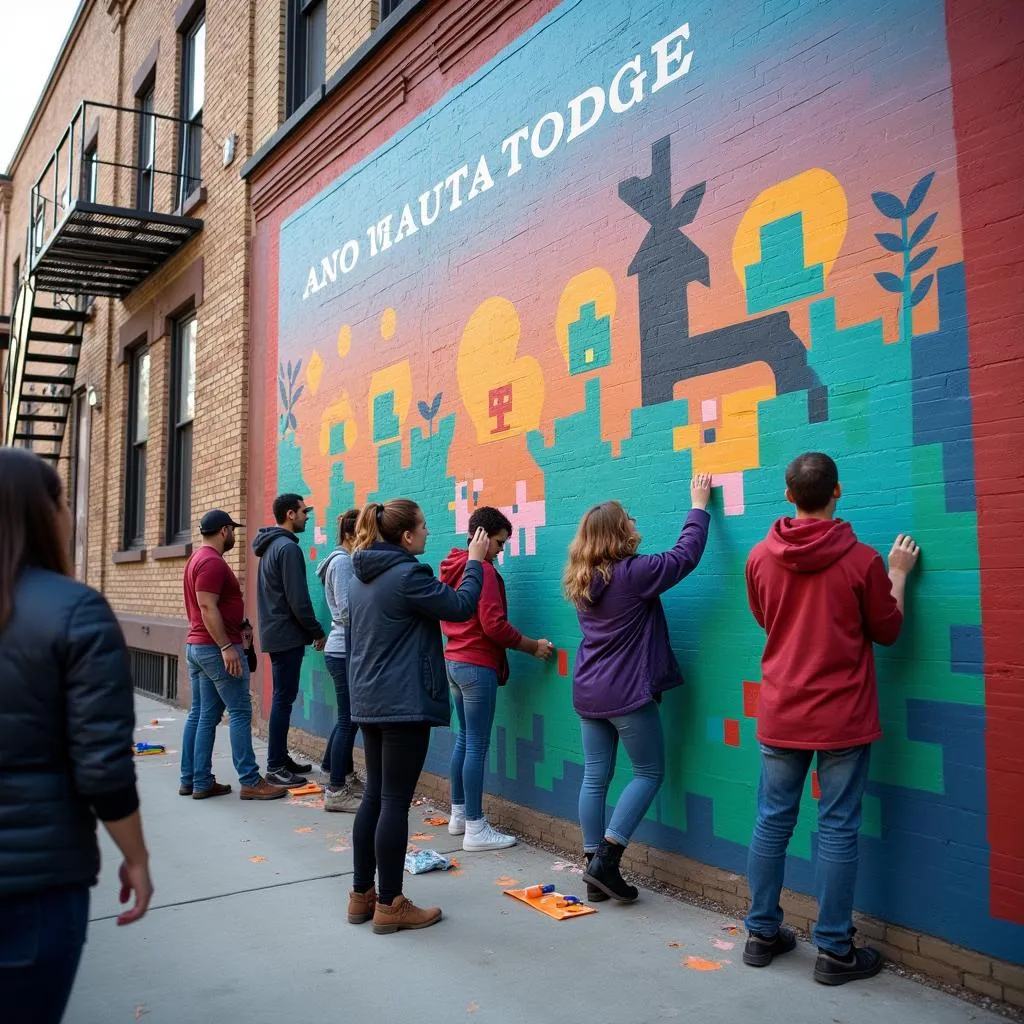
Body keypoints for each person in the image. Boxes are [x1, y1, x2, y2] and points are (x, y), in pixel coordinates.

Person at [742, 452, 919, 986]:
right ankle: (834, 950)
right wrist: (897, 574)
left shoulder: (759, 558)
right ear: (837, 491)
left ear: (788, 495)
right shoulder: (862, 560)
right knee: (837, 826)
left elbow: (765, 619)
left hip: (781, 711)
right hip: (842, 717)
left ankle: (761, 934)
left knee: (772, 820)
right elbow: (887, 631)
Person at [0, 448, 153, 1023]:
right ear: (43, 513)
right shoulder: (76, 611)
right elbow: (103, 768)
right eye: (64, 501)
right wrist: (134, 856)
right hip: (34, 888)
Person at [564, 475, 712, 903]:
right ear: (616, 531)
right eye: (627, 516)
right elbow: (685, 557)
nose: (633, 518)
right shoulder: (633, 574)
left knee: (595, 776)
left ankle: (592, 864)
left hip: (589, 692)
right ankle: (606, 861)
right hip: (625, 694)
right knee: (649, 773)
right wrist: (698, 507)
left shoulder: (582, 579)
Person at [346, 500, 488, 934]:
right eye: (424, 527)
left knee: (374, 796)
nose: (429, 532)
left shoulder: (359, 576)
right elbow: (462, 606)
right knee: (392, 801)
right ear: (406, 536)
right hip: (402, 702)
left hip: (368, 699)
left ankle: (361, 896)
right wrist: (476, 563)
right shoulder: (408, 575)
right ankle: (391, 902)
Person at [439, 506, 555, 851]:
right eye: (500, 544)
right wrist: (532, 646)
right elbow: (493, 625)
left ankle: (459, 816)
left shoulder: (455, 566)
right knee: (476, 743)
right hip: (476, 665)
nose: (502, 551)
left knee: (464, 739)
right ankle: (476, 828)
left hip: (455, 662)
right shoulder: (483, 571)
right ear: (483, 538)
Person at [180, 510, 286, 801]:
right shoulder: (212, 562)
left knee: (203, 715)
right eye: (233, 530)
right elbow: (206, 607)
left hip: (200, 646)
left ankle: (196, 780)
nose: (235, 536)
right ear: (224, 530)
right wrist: (227, 646)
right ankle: (250, 780)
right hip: (215, 648)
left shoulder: (195, 559)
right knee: (239, 711)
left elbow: (209, 607)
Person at [252, 493, 327, 787]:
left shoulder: (272, 547)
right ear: (290, 514)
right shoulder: (287, 549)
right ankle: (274, 767)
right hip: (285, 636)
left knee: (284, 698)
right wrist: (317, 631)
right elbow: (298, 600)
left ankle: (281, 758)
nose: (307, 515)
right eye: (303, 511)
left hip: (277, 634)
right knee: (283, 699)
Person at [315, 508, 363, 812]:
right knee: (350, 719)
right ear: (349, 534)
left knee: (347, 718)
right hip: (343, 649)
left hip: (340, 648)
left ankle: (335, 772)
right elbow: (347, 611)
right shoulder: (343, 563)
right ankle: (336, 790)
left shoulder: (340, 560)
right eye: (362, 531)